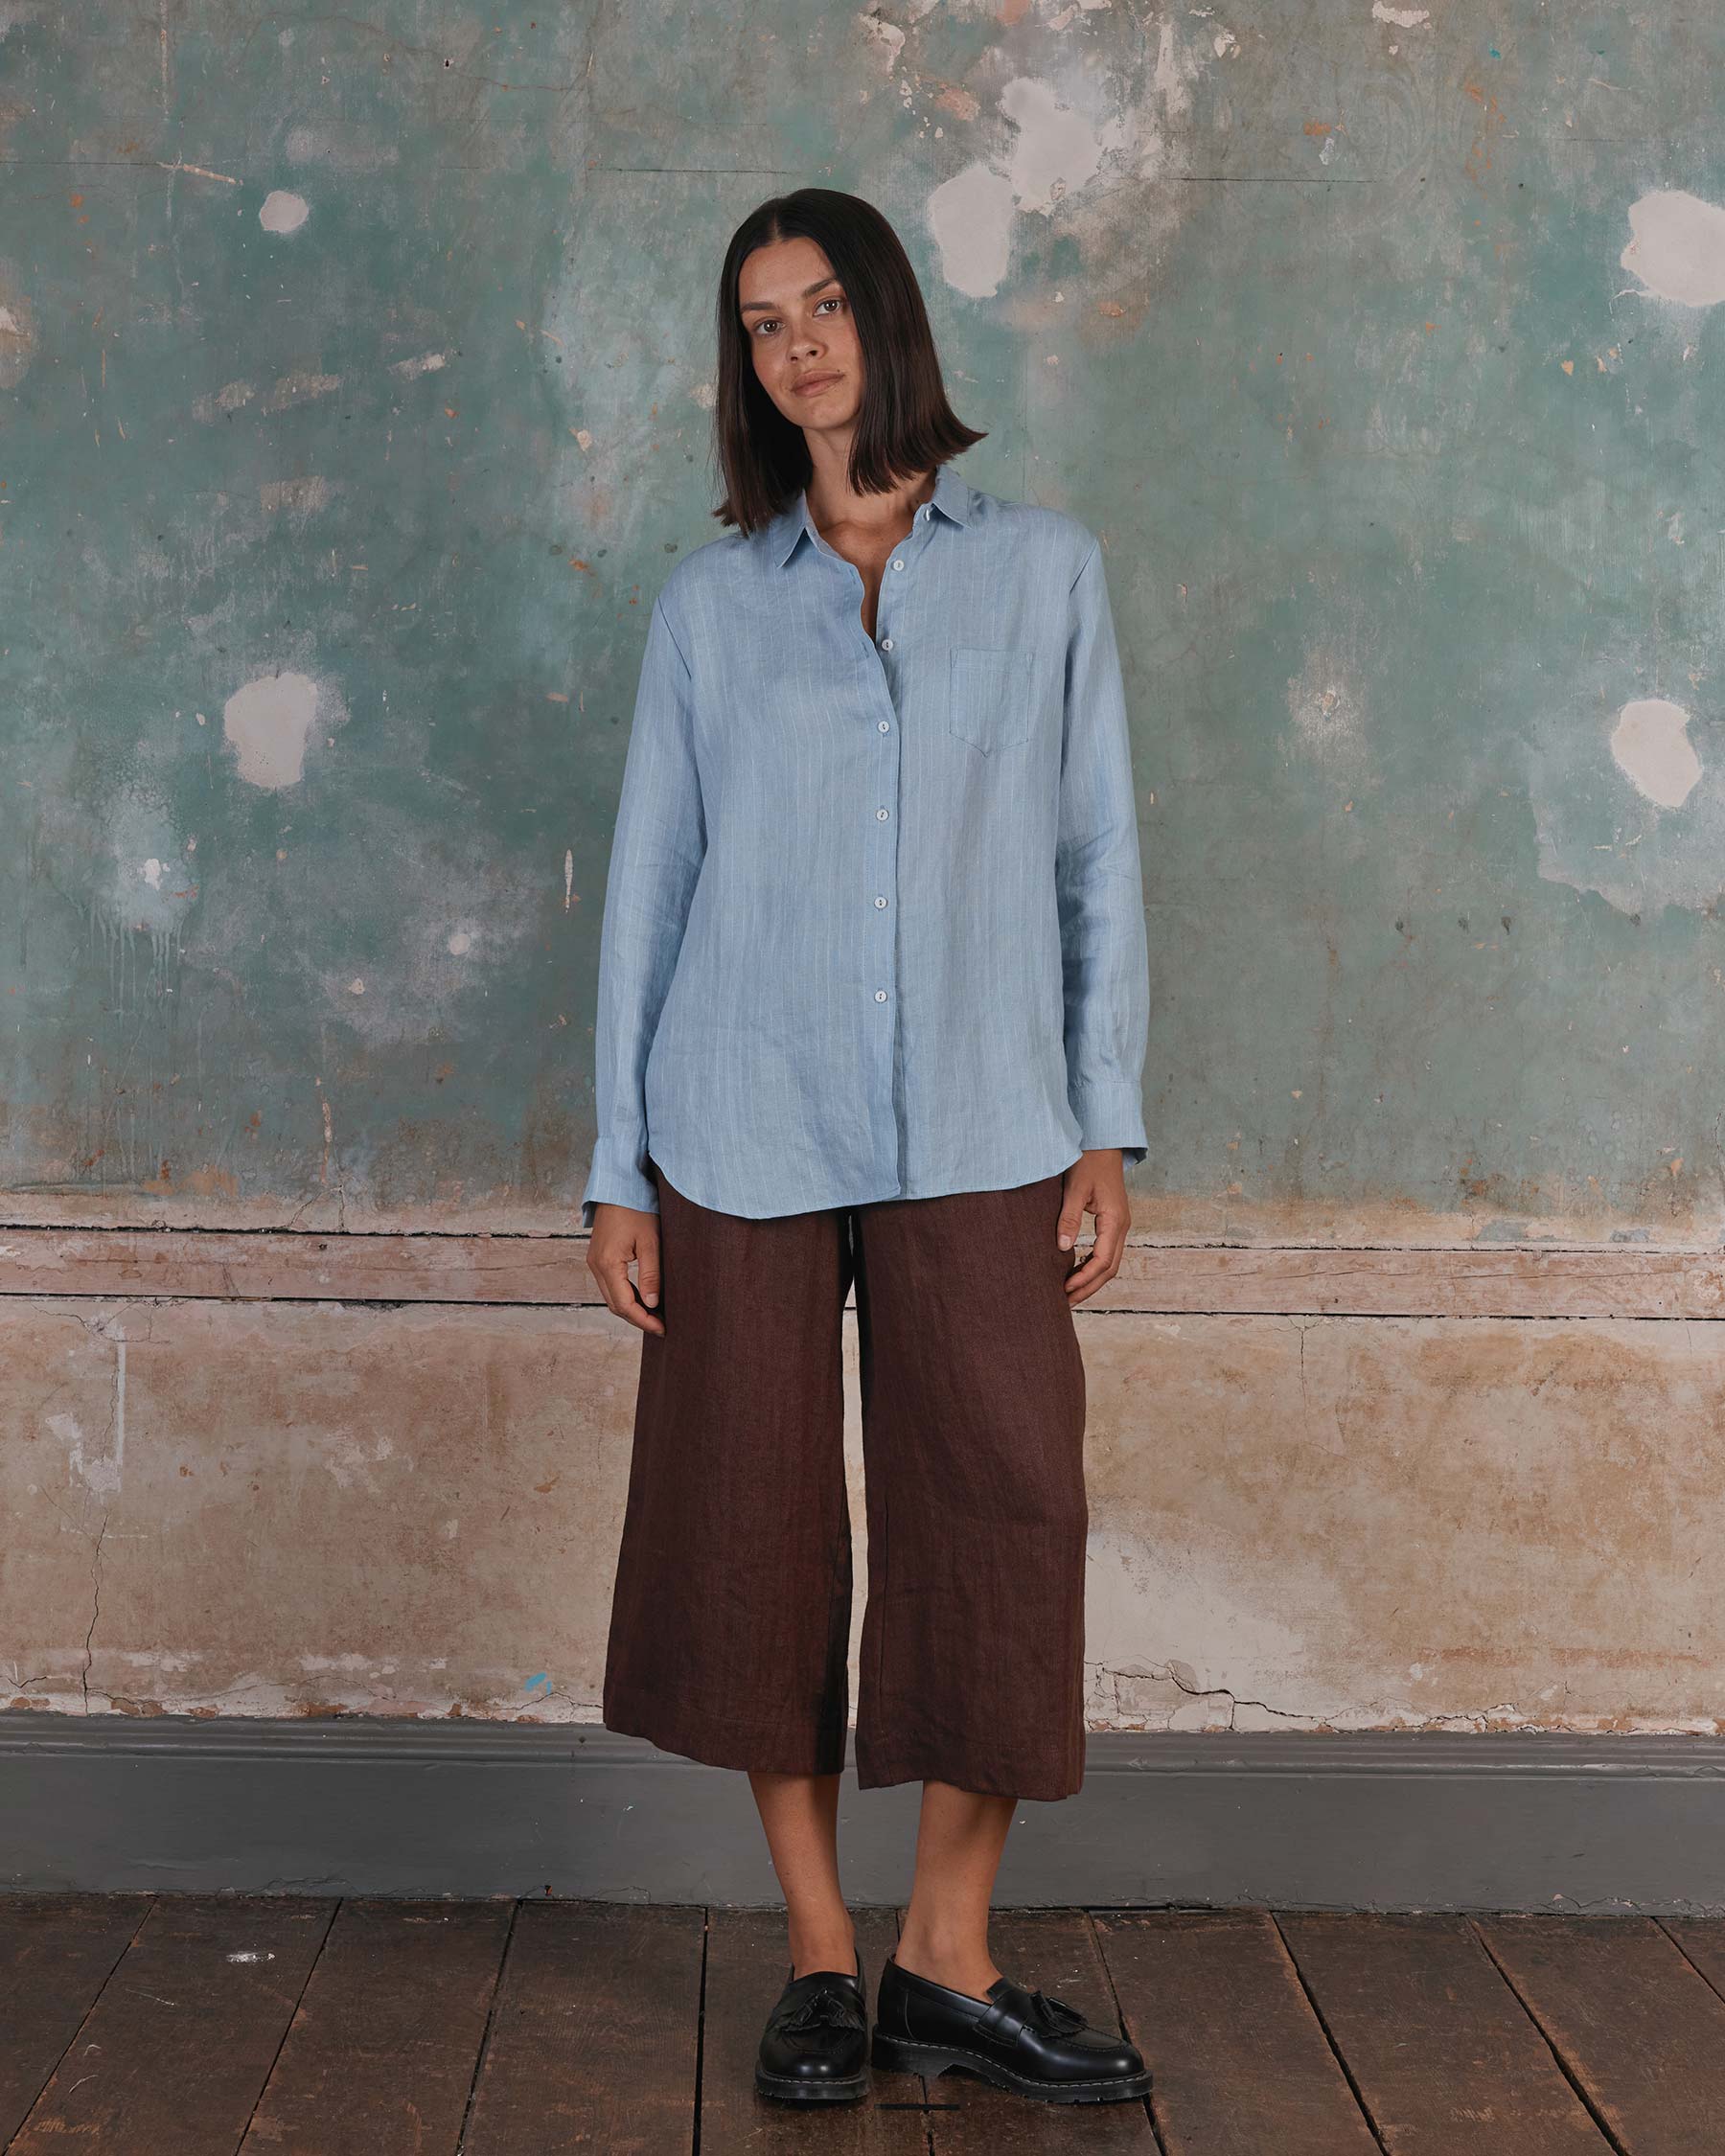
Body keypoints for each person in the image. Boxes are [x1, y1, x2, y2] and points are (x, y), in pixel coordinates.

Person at [581, 187, 1153, 2108]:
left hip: (989, 1112)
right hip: (737, 1117)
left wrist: (1105, 1119)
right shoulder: (710, 607)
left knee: (1011, 1506)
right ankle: (822, 1951)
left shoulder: (1045, 569)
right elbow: (651, 888)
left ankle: (948, 1955)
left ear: (887, 317)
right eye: (761, 323)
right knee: (751, 1523)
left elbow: (1095, 855)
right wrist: (618, 1164)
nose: (797, 345)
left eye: (823, 305)